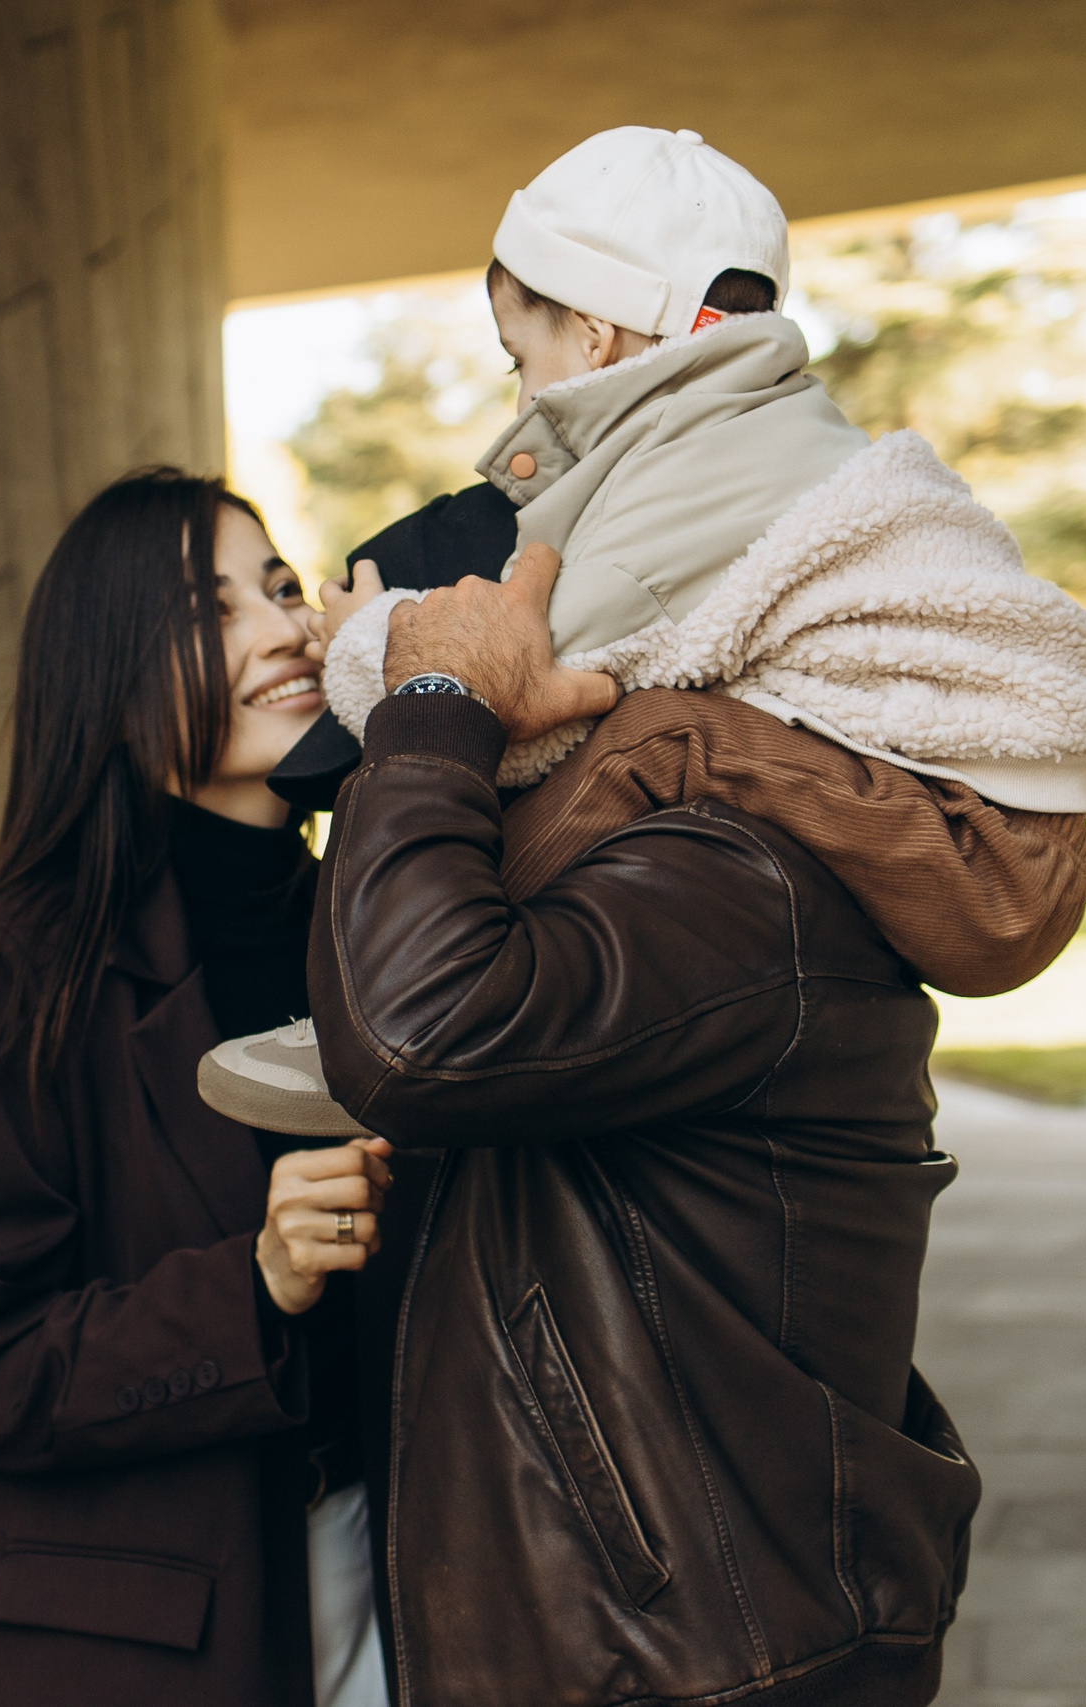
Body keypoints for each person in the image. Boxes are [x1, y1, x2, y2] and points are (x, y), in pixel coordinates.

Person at [203, 125, 1086, 1136]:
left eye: (519, 359)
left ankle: (400, 998)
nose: (520, 395)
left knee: (645, 737)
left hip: (983, 854)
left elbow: (515, 683)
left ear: (595, 336)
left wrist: (364, 639)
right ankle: (422, 983)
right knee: (661, 727)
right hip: (975, 831)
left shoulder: (694, 476)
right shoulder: (756, 429)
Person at [308, 550, 982, 1707]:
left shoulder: (722, 877)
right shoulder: (667, 870)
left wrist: (434, 713)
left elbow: (415, 1033)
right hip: (669, 1639)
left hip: (684, 1654)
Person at [0, 470, 394, 1707]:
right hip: (138, 1634)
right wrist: (250, 1286)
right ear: (109, 674)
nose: (279, 629)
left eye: (277, 588)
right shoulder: (21, 972)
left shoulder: (368, 928)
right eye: (210, 612)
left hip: (390, 1572)